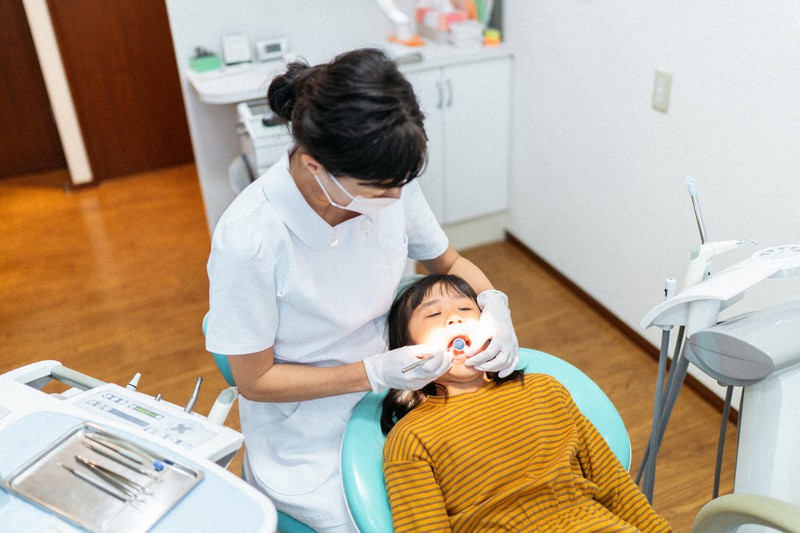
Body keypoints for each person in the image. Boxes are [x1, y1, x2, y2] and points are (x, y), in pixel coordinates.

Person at [204, 48, 519, 532]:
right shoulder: (250, 239)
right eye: (379, 190)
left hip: (409, 383)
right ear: (315, 165)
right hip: (308, 422)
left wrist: (495, 304)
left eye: (400, 185)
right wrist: (372, 372)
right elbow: (255, 381)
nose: (395, 198)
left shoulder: (389, 177)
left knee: (488, 486)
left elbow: (450, 262)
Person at [381, 274, 672, 532]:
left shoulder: (545, 391)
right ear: (406, 352)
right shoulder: (411, 437)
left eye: (466, 309)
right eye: (434, 314)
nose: (455, 319)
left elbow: (613, 484)